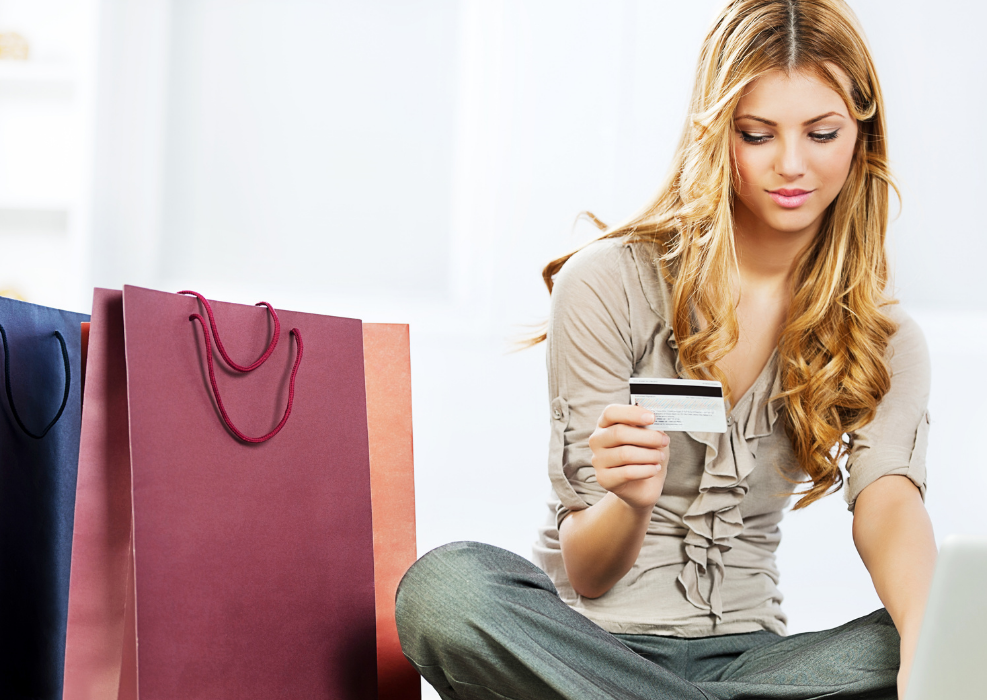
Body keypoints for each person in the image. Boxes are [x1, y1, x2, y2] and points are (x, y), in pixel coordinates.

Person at [395, 1, 935, 698]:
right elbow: (587, 572)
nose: (792, 165)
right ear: (716, 134)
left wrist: (929, 642)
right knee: (447, 590)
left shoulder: (884, 336)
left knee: (950, 624)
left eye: (822, 133)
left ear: (862, 135)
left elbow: (889, 502)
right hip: (586, 650)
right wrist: (628, 502)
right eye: (757, 134)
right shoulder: (606, 283)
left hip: (754, 667)